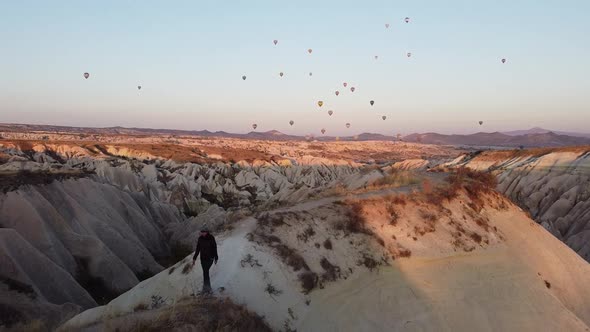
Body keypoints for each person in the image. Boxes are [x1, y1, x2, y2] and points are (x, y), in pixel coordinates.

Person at [192, 229, 218, 294]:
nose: (202, 233)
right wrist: (194, 258)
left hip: (210, 258)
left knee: (206, 272)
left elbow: (214, 247)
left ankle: (207, 288)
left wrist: (216, 257)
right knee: (205, 272)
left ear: (206, 232)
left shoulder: (211, 238)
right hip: (203, 259)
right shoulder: (200, 238)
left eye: (203, 232)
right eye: (201, 232)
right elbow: (198, 249)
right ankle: (206, 288)